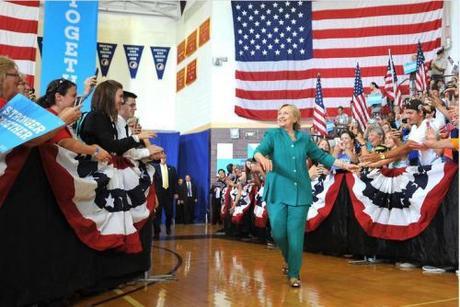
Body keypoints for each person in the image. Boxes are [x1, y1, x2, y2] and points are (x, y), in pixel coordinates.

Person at [253, 104, 359, 288]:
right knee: (277, 232)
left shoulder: (304, 138)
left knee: (295, 235)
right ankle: (287, 258)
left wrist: (344, 165)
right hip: (277, 190)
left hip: (300, 191)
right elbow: (259, 150)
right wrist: (261, 158)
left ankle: (294, 273)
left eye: (285, 113)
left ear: (295, 118)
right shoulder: (272, 135)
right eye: (279, 113)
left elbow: (321, 156)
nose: (281, 115)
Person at [36, 79, 111, 162]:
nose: (76, 100)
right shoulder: (50, 116)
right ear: (58, 97)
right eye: (74, 96)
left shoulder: (51, 114)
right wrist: (95, 150)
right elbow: (66, 143)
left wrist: (86, 92)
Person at [79, 80, 154, 156]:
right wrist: (137, 137)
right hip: (96, 166)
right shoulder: (96, 116)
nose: (122, 101)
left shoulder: (106, 117)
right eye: (120, 96)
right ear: (109, 97)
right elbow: (112, 146)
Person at [153, 152, 177, 238]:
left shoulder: (172, 169)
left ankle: (168, 228)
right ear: (159, 158)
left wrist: (175, 193)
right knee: (157, 215)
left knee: (169, 213)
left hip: (169, 195)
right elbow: (152, 183)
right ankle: (156, 231)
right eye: (161, 157)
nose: (163, 158)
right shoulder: (154, 168)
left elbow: (174, 182)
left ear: (166, 158)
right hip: (158, 196)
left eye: (164, 157)